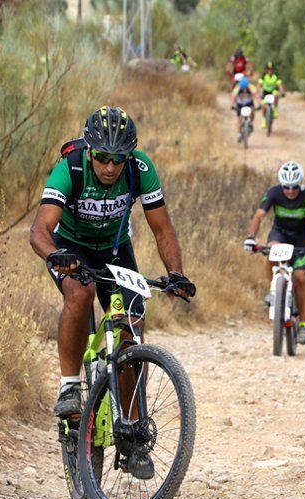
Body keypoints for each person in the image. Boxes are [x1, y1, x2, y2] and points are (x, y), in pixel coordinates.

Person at [29, 106, 196, 434]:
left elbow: (162, 229)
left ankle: (132, 426)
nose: (110, 167)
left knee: (132, 328)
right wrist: (54, 255)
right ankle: (69, 387)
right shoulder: (71, 168)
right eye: (103, 158)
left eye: (118, 159)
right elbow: (39, 231)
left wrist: (175, 273)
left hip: (115, 250)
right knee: (80, 293)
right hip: (71, 248)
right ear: (90, 151)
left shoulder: (141, 169)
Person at [243, 162, 305, 345]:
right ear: (281, 185)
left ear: (300, 184)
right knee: (272, 251)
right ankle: (274, 289)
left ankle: (303, 324)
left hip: (302, 239)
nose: (290, 191)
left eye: (294, 187)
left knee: (301, 279)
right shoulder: (274, 193)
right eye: (286, 187)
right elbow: (259, 215)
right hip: (279, 234)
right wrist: (250, 237)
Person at [230, 76, 260, 142]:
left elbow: (256, 96)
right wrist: (232, 105)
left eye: (245, 87)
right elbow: (233, 96)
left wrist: (259, 104)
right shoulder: (237, 87)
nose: (244, 90)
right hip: (240, 104)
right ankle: (239, 134)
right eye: (243, 88)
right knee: (239, 119)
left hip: (249, 103)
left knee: (253, 111)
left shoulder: (251, 87)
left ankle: (251, 122)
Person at [257, 62, 286, 127]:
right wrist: (257, 91)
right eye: (268, 69)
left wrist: (282, 92)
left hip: (273, 91)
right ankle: (264, 120)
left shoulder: (276, 75)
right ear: (266, 70)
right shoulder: (263, 75)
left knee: (276, 95)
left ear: (273, 70)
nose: (270, 71)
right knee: (263, 105)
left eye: (271, 69)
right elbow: (259, 85)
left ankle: (275, 109)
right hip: (265, 92)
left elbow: (280, 85)